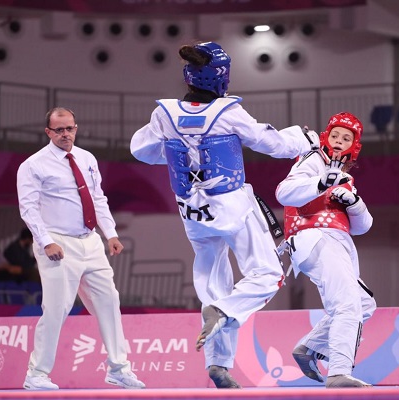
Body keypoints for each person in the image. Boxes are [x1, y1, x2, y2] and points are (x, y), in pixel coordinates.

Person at [130, 41, 319, 389]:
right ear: (221, 76)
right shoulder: (227, 111)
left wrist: (179, 158)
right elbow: (273, 144)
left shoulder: (165, 113)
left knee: (213, 283)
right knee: (266, 274)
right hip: (230, 206)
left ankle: (218, 364)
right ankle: (227, 310)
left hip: (192, 212)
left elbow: (140, 149)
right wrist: (304, 139)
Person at [16, 107, 145, 390]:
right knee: (57, 308)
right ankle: (36, 374)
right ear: (48, 132)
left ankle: (118, 368)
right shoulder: (33, 165)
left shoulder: (86, 158)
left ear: (76, 128)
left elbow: (98, 198)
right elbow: (28, 208)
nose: (65, 134)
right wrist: (45, 240)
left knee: (109, 302)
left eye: (70, 128)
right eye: (59, 130)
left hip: (91, 242)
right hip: (57, 242)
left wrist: (109, 233)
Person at [275, 112, 377, 388]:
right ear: (325, 137)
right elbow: (284, 192)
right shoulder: (314, 160)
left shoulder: (344, 177)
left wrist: (354, 203)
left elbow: (363, 226)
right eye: (335, 136)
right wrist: (322, 183)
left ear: (354, 146)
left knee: (364, 303)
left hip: (338, 242)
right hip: (315, 237)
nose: (340, 142)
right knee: (346, 304)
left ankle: (309, 348)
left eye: (347, 138)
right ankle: (339, 373)